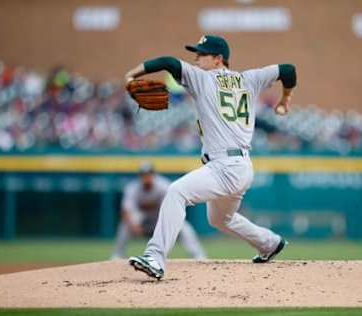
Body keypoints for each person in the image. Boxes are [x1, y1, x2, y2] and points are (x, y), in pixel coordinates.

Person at [125, 35, 297, 279]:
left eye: (201, 54)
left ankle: (155, 257)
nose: (196, 59)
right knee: (219, 218)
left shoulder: (202, 78)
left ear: (218, 59)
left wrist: (131, 75)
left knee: (176, 192)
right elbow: (288, 70)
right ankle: (269, 243)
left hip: (224, 167)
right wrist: (285, 98)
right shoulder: (249, 78)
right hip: (242, 166)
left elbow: (168, 61)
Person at [111, 161, 207, 260]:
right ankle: (118, 255)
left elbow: (175, 206)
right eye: (144, 174)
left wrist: (169, 222)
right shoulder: (132, 188)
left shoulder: (164, 185)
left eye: (149, 174)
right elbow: (126, 210)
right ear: (140, 176)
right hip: (143, 220)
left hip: (161, 218)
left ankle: (198, 255)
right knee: (125, 225)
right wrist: (133, 225)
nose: (146, 177)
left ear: (153, 174)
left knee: (184, 226)